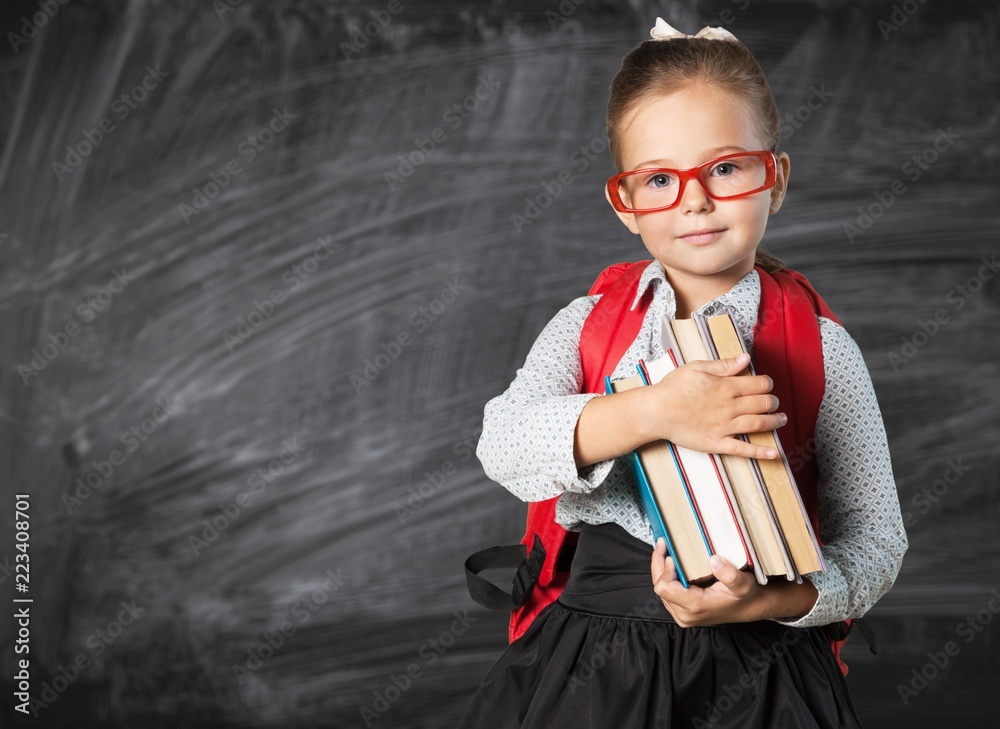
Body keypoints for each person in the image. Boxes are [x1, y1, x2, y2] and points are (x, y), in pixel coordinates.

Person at [457, 17, 908, 729]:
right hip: (591, 666)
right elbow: (502, 444)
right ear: (625, 203)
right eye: (660, 179)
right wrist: (656, 412)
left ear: (776, 178)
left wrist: (769, 601)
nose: (695, 199)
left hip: (766, 673)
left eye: (725, 168)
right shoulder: (588, 324)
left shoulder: (824, 350)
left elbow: (877, 540)